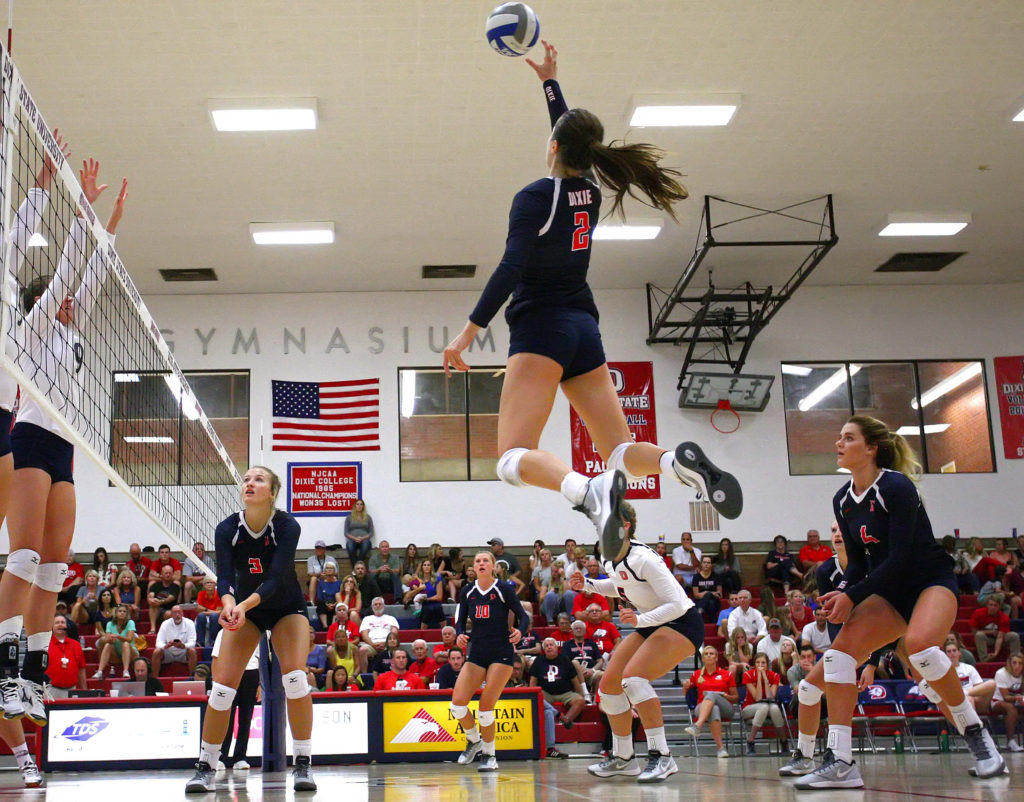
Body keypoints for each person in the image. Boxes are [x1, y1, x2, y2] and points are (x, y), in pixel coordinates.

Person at [442, 40, 740, 557]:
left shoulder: (535, 197)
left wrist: (468, 331)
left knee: (512, 457)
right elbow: (573, 138)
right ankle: (677, 464)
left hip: (541, 329)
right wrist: (550, 84)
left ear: (554, 146)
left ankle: (586, 490)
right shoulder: (591, 191)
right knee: (621, 450)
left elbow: (512, 268)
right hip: (584, 328)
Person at [793, 416, 1006, 789]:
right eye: (839, 438)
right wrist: (843, 591)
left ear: (871, 448)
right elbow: (859, 561)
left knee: (920, 647)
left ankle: (976, 733)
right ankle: (840, 761)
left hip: (928, 580)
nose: (838, 444)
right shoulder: (842, 499)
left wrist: (853, 595)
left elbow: (902, 556)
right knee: (838, 658)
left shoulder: (895, 486)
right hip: (889, 591)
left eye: (848, 438)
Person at [0, 164, 127, 726]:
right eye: (60, 300)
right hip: (28, 436)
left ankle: (30, 674)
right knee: (24, 557)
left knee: (54, 569)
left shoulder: (74, 332)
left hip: (64, 450)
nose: (71, 303)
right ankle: (4, 668)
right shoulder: (26, 336)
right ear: (43, 307)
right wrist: (81, 215)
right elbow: (68, 274)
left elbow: (91, 274)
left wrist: (110, 226)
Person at [185, 466, 316, 794]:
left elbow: (274, 579)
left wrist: (242, 606)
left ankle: (302, 762)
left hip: (286, 607)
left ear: (272, 492)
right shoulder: (227, 528)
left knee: (295, 679)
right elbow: (225, 576)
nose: (249, 483)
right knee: (222, 689)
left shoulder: (287, 526)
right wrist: (229, 602)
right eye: (246, 479)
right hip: (246, 610)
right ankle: (205, 766)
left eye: (258, 479)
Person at [570, 500, 705, 782]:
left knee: (633, 680)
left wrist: (640, 621)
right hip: (651, 622)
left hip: (682, 622)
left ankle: (662, 756)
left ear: (625, 526)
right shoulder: (609, 556)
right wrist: (588, 584)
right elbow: (619, 584)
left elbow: (678, 604)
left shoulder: (646, 558)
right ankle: (623, 758)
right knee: (608, 686)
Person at [450, 551, 530, 772]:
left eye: (486, 560)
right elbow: (460, 620)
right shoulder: (468, 591)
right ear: (473, 568)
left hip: (501, 652)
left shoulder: (503, 589)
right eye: (478, 561)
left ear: (494, 566)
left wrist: (520, 632)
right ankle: (474, 740)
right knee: (457, 705)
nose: (481, 563)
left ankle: (489, 755)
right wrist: (459, 633)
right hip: (477, 652)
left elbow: (524, 616)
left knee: (486, 708)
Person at [210, 629, 258, 771]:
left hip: (251, 673)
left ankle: (240, 757)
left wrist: (260, 685)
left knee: (246, 717)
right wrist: (215, 682)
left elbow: (260, 659)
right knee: (227, 716)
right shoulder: (223, 632)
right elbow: (215, 657)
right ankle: (221, 757)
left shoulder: (255, 631)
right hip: (229, 672)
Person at [682, 645, 737, 758]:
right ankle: (721, 749)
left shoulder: (726, 674)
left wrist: (725, 696)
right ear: (702, 659)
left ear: (716, 658)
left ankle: (698, 725)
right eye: (706, 654)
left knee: (711, 694)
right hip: (702, 707)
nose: (709, 656)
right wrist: (685, 686)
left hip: (725, 707)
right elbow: (686, 694)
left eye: (711, 654)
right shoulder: (696, 674)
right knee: (714, 709)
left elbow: (736, 697)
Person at [742, 653, 787, 754]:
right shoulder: (748, 675)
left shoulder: (774, 676)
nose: (760, 665)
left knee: (774, 708)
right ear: (754, 664)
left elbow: (770, 697)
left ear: (767, 665)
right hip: (749, 707)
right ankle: (750, 741)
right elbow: (757, 698)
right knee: (763, 707)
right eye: (757, 662)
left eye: (763, 663)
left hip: (768, 705)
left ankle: (784, 742)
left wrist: (765, 679)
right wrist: (758, 678)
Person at [947, 642, 996, 714]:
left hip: (973, 698)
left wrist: (967, 694)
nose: (952, 653)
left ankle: (965, 693)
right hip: (954, 702)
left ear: (959, 653)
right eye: (949, 651)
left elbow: (979, 688)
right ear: (945, 655)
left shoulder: (969, 668)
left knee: (992, 683)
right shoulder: (943, 671)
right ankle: (974, 725)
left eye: (954, 650)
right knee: (969, 699)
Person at [45, 614, 87, 698]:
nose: (60, 624)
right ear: (52, 627)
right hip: (51, 690)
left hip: (72, 690)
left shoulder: (76, 645)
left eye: (62, 623)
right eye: (57, 623)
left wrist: (84, 691)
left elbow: (81, 669)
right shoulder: (45, 645)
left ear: (67, 626)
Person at [970, 594, 1021, 661]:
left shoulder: (1004, 617)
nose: (993, 607)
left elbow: (1000, 637)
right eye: (991, 605)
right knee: (979, 635)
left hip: (1000, 638)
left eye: (995, 605)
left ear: (999, 606)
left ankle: (1015, 659)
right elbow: (974, 632)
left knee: (1014, 636)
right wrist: (990, 632)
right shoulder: (978, 613)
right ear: (987, 605)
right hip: (986, 639)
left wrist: (996, 653)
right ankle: (984, 659)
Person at [93, 603, 138, 679]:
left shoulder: (130, 623)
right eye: (120, 611)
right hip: (117, 654)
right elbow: (107, 639)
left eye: (124, 611)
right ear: (116, 613)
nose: (122, 613)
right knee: (107, 645)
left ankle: (126, 671)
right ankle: (100, 671)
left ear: (127, 614)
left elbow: (130, 639)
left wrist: (117, 636)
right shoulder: (110, 624)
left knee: (125, 644)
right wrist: (110, 639)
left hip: (131, 654)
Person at [990, 652, 1024, 752]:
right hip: (998, 701)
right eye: (1014, 663)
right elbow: (1005, 697)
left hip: (1018, 701)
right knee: (1010, 708)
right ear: (1009, 663)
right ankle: (1010, 741)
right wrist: (1019, 699)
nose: (1017, 666)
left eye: (1020, 663)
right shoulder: (1001, 673)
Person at [153, 604, 198, 677]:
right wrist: (166, 646)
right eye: (175, 613)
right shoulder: (165, 624)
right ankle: (154, 679)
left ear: (182, 613)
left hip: (183, 651)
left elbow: (192, 642)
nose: (177, 615)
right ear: (171, 614)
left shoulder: (190, 623)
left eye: (179, 612)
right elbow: (158, 643)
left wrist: (183, 645)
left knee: (192, 651)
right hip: (169, 651)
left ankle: (192, 678)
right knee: (156, 652)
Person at [358, 596, 399, 671]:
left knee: (394, 645)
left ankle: (394, 672)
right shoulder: (367, 619)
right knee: (362, 650)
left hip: (387, 644)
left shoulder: (390, 618)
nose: (378, 606)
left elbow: (394, 633)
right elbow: (364, 635)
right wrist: (373, 644)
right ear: (372, 606)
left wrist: (386, 643)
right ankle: (364, 675)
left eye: (380, 604)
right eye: (375, 604)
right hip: (371, 644)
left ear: (384, 606)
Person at [563, 619, 604, 692]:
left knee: (601, 675)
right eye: (576, 628)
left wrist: (592, 670)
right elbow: (566, 663)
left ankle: (595, 701)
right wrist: (579, 672)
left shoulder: (592, 643)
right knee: (574, 662)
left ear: (585, 631)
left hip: (591, 672)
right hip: (575, 674)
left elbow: (600, 661)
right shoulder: (567, 645)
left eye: (581, 628)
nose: (578, 630)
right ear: (572, 631)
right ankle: (584, 693)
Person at [148, 563, 183, 631]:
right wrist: (152, 599)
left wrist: (160, 602)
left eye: (170, 573)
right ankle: (153, 628)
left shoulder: (175, 587)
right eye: (166, 573)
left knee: (169, 613)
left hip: (169, 610)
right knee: (152, 605)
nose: (168, 575)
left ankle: (165, 630)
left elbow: (170, 598)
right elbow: (151, 595)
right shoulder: (155, 585)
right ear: (161, 574)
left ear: (172, 574)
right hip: (157, 610)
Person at [691, 555, 723, 622]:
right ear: (701, 564)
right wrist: (710, 593)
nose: (706, 564)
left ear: (711, 565)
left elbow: (719, 594)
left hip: (715, 601)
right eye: (704, 562)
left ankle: (700, 610)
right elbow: (696, 595)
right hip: (700, 601)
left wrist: (706, 593)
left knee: (709, 597)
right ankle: (713, 622)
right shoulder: (696, 577)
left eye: (708, 563)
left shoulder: (716, 576)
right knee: (710, 603)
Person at [305, 539, 338, 604]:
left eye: (321, 548)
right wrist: (319, 575)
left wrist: (327, 575)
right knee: (313, 579)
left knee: (334, 578)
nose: (318, 550)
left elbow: (336, 572)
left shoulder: (331, 559)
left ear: (324, 550)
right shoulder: (310, 559)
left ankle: (336, 601)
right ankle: (311, 602)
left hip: (329, 577)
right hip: (318, 578)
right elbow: (310, 573)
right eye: (317, 548)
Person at [344, 498, 374, 566]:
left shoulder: (368, 517)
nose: (359, 506)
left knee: (366, 545)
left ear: (363, 506)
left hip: (364, 540)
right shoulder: (349, 517)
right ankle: (357, 567)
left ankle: (356, 566)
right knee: (350, 546)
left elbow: (371, 533)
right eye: (357, 504)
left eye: (361, 504)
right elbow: (346, 533)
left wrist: (362, 538)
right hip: (352, 540)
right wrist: (355, 538)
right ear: (355, 506)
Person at [195, 576, 223, 648]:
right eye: (207, 583)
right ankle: (200, 642)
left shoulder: (219, 594)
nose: (209, 584)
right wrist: (211, 611)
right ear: (204, 585)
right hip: (206, 615)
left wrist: (205, 610)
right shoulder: (201, 594)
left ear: (215, 584)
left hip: (216, 616)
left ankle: (213, 642)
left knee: (214, 616)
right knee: (200, 616)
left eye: (212, 582)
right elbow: (198, 609)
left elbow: (219, 612)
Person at [313, 563, 342, 628]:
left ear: (335, 571)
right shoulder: (321, 583)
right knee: (320, 603)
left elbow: (341, 596)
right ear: (324, 571)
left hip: (335, 603)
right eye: (327, 568)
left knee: (339, 605)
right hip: (325, 604)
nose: (329, 570)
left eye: (331, 568)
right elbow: (319, 597)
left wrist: (335, 604)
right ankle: (325, 626)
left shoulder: (339, 583)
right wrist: (327, 604)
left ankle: (333, 626)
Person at [304, 625, 328, 689]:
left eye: (311, 632)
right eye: (307, 633)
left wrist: (312, 670)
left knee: (310, 675)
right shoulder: (300, 649)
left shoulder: (320, 649)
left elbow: (321, 669)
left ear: (314, 635)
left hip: (317, 675)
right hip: (303, 674)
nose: (310, 634)